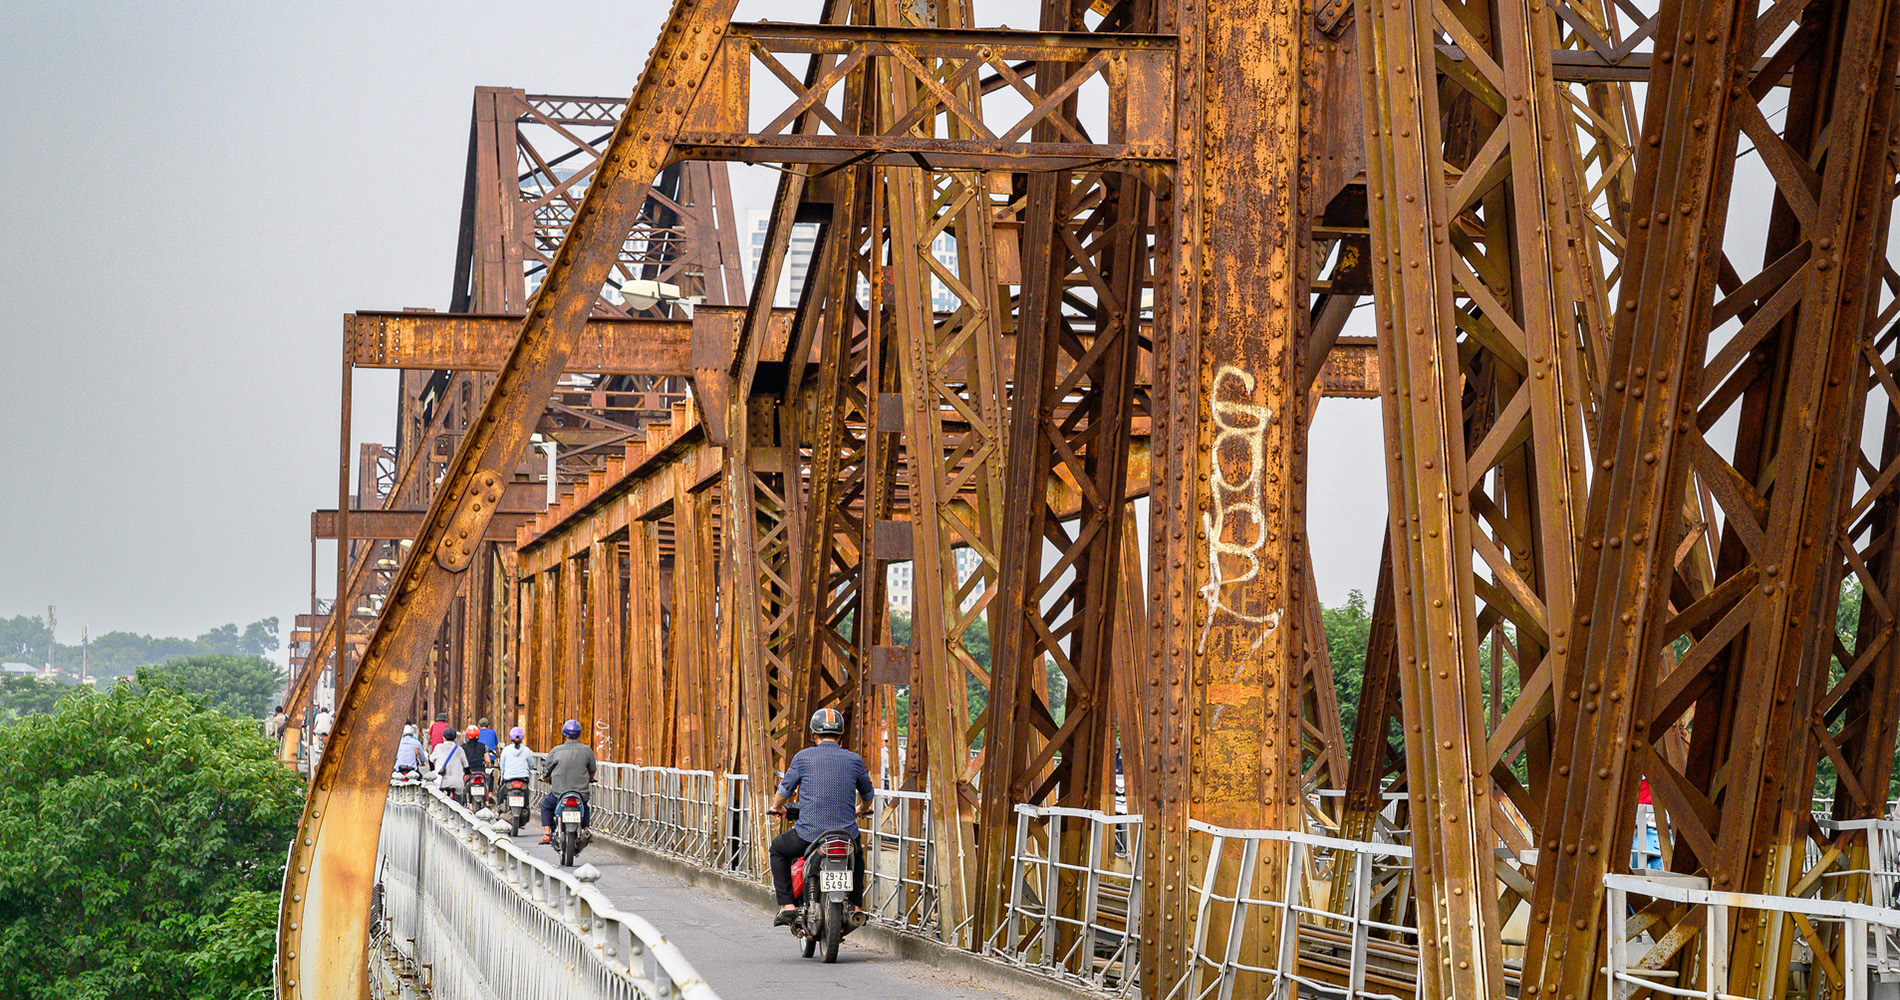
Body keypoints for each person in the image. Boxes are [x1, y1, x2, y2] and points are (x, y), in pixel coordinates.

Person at [767, 708, 874, 926]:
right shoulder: (854, 760)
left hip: (809, 835)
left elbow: (784, 791)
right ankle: (855, 905)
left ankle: (787, 905)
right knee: (858, 856)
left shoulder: (803, 758)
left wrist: (776, 807)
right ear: (841, 735)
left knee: (778, 849)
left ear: (813, 734)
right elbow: (868, 795)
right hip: (844, 836)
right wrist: (862, 808)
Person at [538, 719, 597, 844]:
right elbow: (592, 770)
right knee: (585, 807)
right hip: (581, 793)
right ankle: (587, 830)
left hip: (559, 792)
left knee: (546, 806)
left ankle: (547, 834)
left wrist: (544, 777)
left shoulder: (556, 751)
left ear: (564, 734)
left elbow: (547, 768)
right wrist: (591, 779)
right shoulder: (587, 751)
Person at [432, 729, 468, 798]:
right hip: (456, 785)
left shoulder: (438, 747)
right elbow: (466, 766)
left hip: (441, 783)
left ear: (443, 738)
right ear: (455, 739)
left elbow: (431, 760)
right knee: (458, 805)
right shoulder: (459, 750)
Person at [460, 725, 490, 804]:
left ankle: (463, 802)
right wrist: (487, 766)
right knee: (486, 784)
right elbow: (488, 761)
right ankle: (486, 802)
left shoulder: (462, 747)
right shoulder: (483, 746)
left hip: (468, 773)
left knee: (463, 787)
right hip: (480, 772)